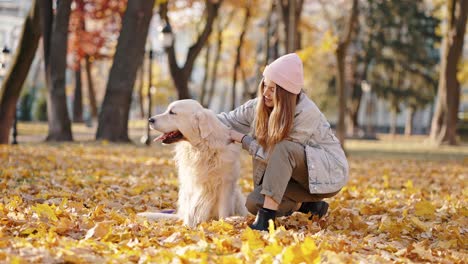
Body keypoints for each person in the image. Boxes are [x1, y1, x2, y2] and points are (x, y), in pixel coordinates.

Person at [218, 53, 349, 231]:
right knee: (254, 202)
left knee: (284, 148)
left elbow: (276, 155)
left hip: (328, 172)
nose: (265, 93)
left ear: (286, 93)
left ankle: (265, 223)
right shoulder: (258, 106)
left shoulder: (306, 113)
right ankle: (309, 207)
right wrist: (194, 118)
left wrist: (243, 139)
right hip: (297, 177)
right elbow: (225, 120)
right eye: (264, 84)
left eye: (272, 89)